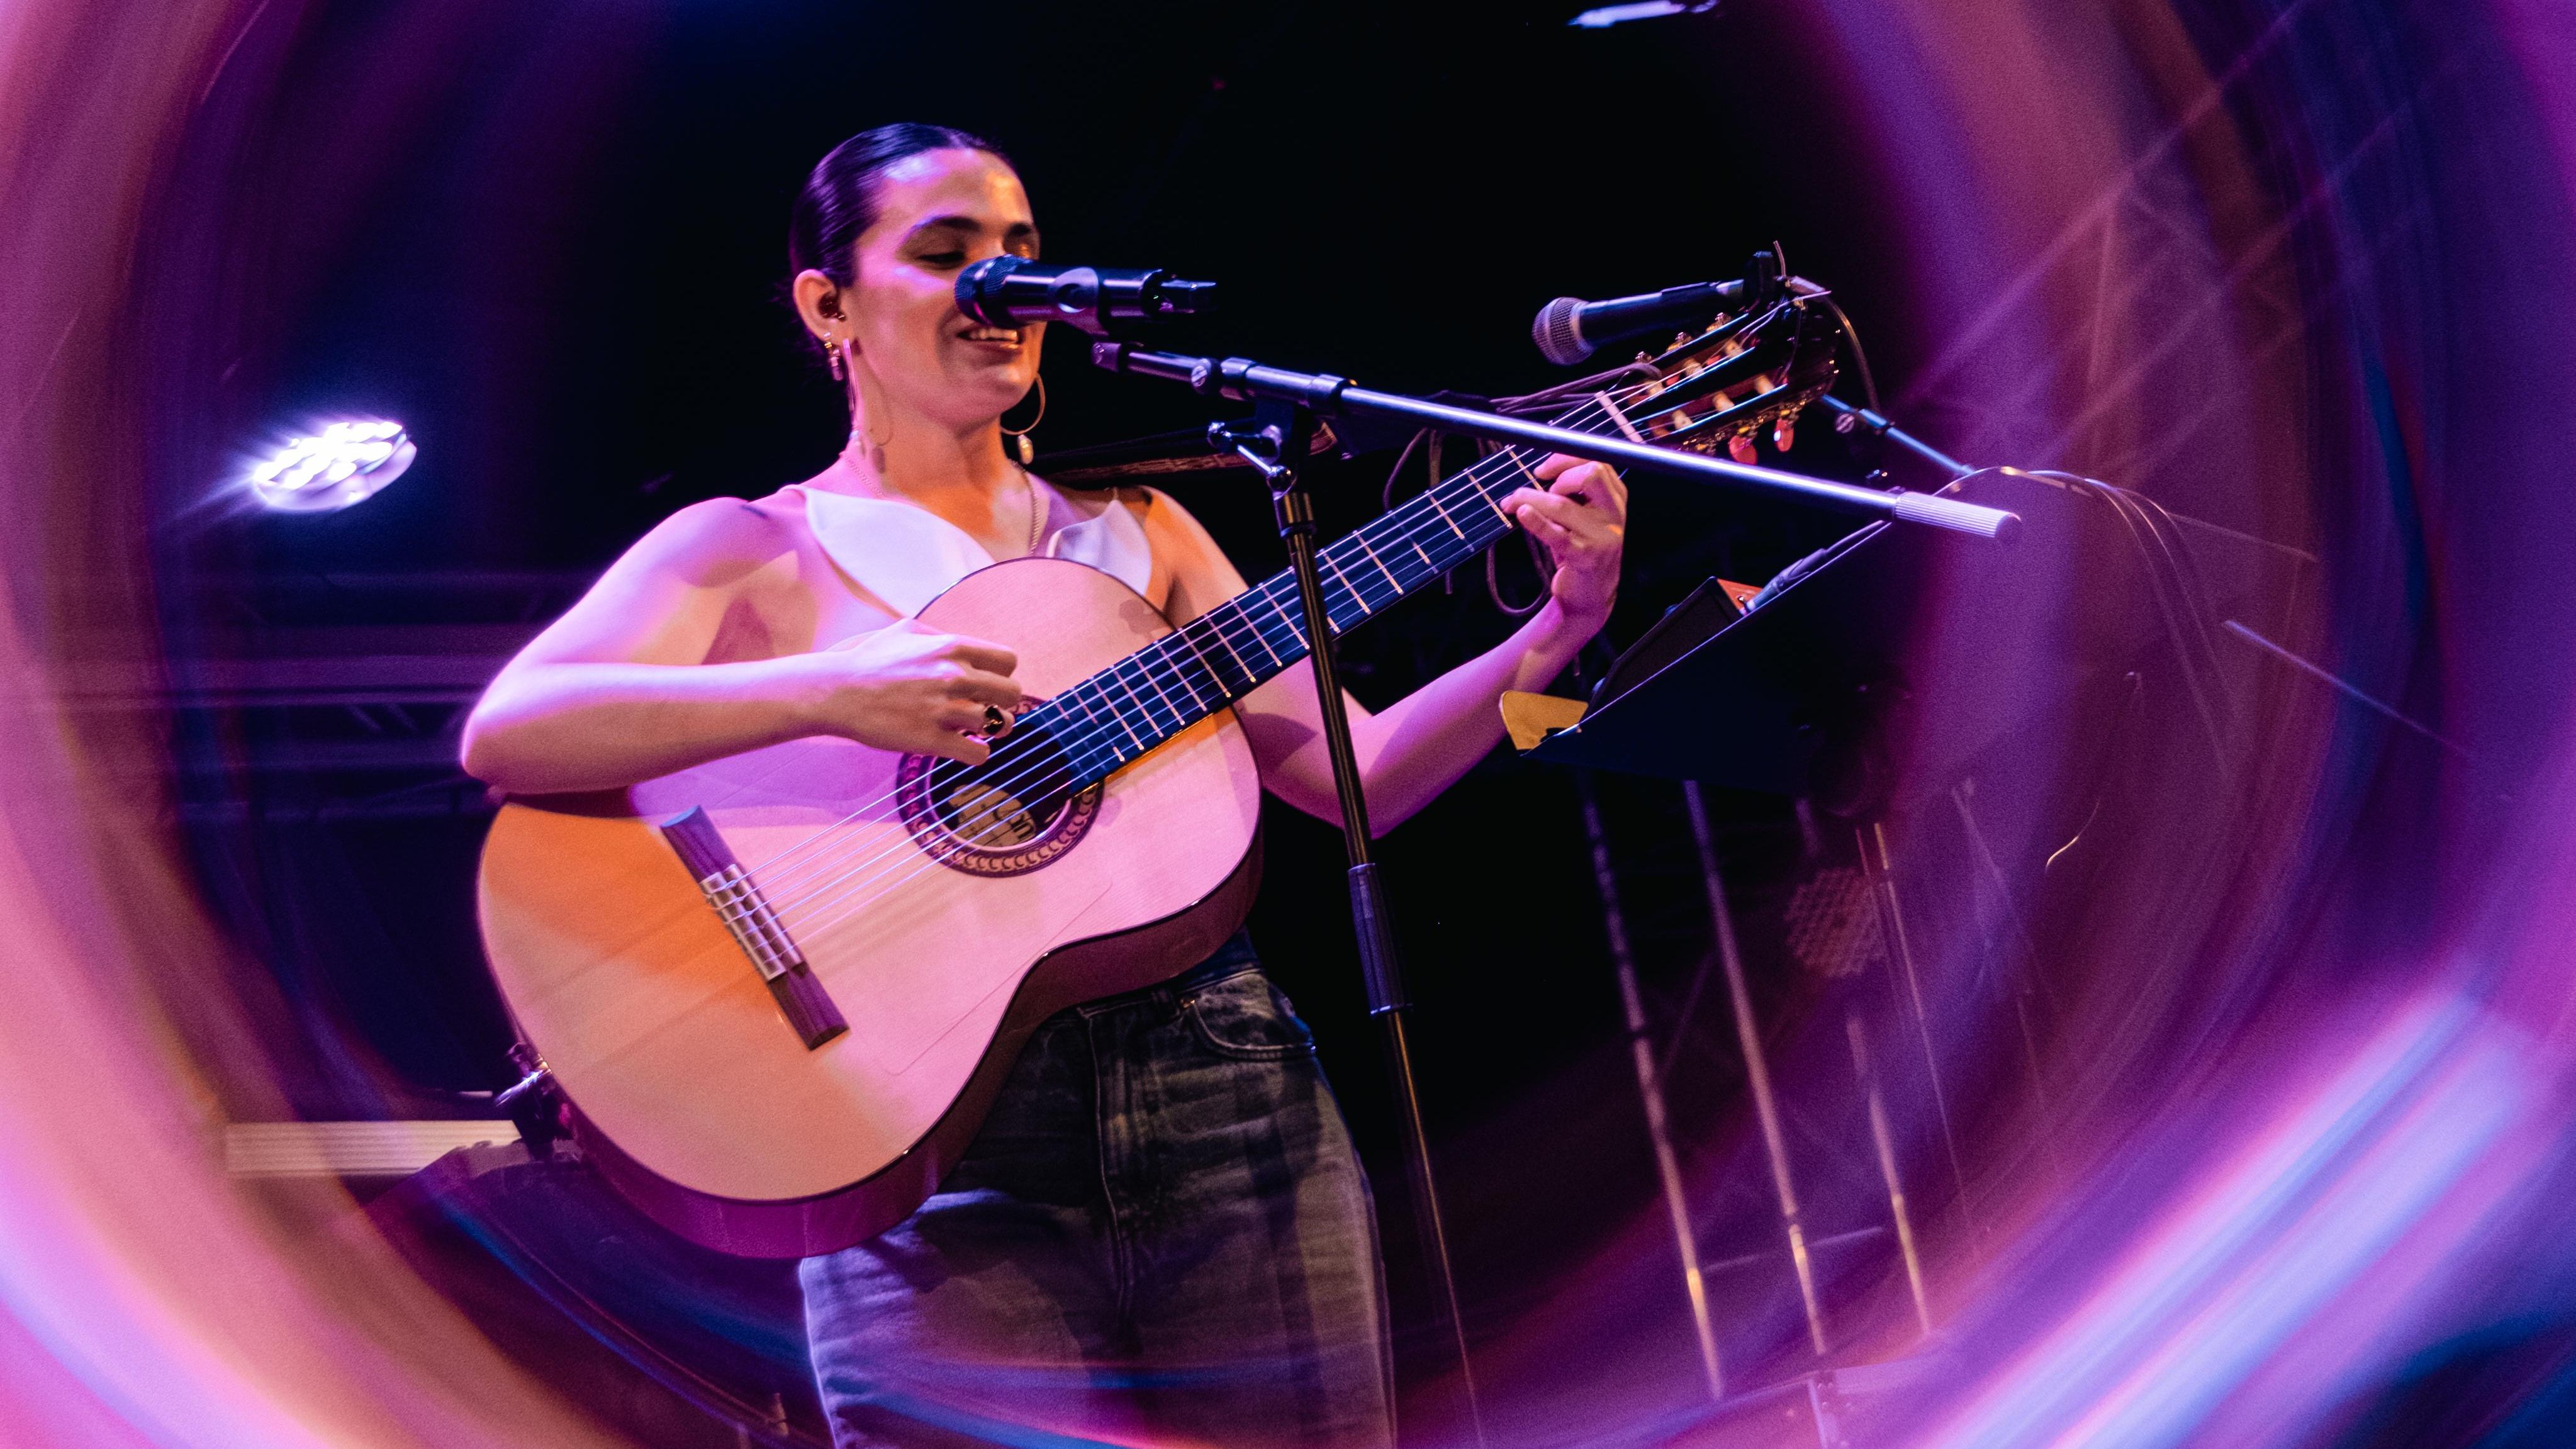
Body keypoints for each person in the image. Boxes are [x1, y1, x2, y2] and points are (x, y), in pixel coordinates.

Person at [459, 122, 1626, 1448]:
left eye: (1021, 254)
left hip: (1226, 1099)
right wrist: (826, 691)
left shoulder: (1141, 534)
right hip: (924, 1149)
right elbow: (515, 729)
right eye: (948, 254)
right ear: (830, 304)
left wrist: (1551, 642)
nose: (1004, 290)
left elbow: (1365, 777)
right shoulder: (749, 548)